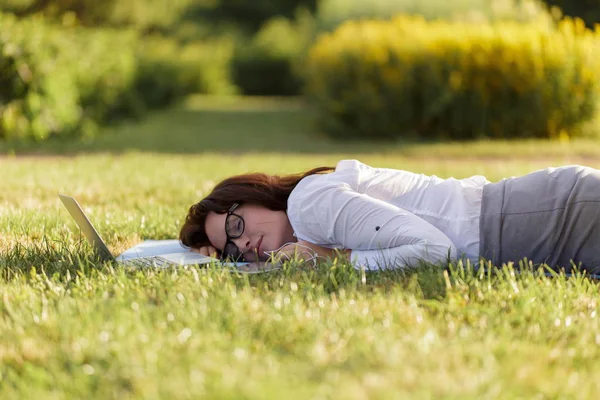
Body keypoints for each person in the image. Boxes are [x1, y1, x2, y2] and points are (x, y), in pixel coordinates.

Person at [179, 159, 600, 273]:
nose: (245, 244)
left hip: (555, 216)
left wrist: (333, 263)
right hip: (541, 226)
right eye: (233, 251)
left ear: (254, 195)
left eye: (237, 225)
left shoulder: (309, 205)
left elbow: (437, 252)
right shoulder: (310, 228)